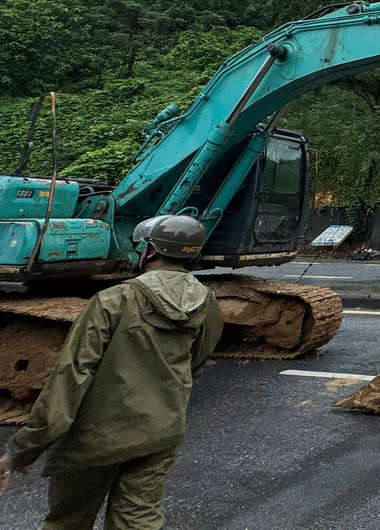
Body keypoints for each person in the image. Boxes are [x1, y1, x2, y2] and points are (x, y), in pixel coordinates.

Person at [0, 215, 223, 530]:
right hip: (159, 432)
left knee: (69, 521)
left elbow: (70, 378)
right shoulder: (207, 303)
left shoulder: (115, 299)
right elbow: (195, 363)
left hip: (94, 439)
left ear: (150, 251)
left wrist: (20, 451)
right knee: (138, 521)